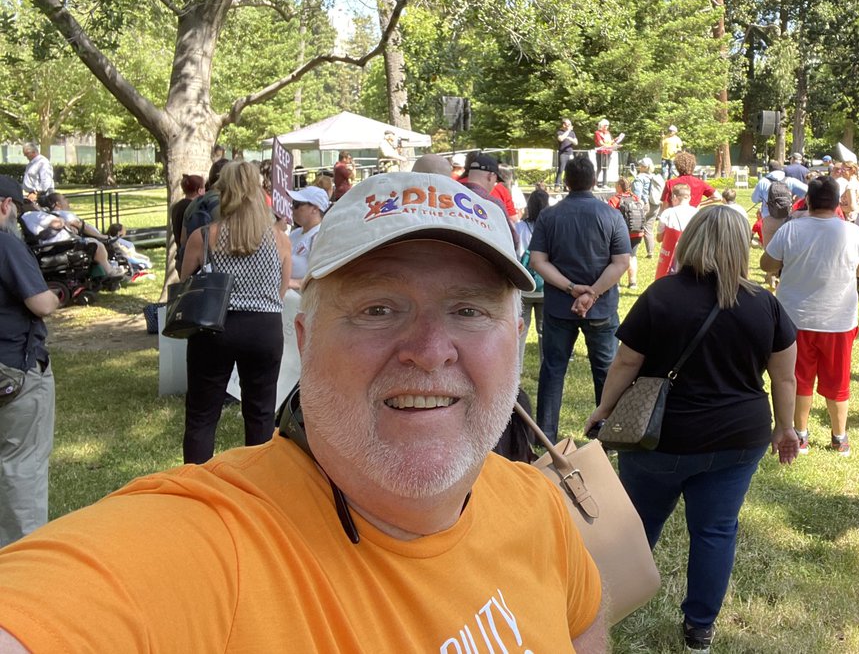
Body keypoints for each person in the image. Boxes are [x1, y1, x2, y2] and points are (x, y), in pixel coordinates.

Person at [0, 171, 605, 651]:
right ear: (307, 339)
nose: (427, 353)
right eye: (378, 309)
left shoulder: (538, 505)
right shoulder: (215, 549)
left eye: (469, 311)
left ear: (518, 333)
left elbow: (581, 627)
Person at [584, 205, 798, 653]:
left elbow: (626, 361)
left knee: (636, 526)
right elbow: (784, 377)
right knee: (716, 530)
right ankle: (699, 628)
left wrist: (603, 409)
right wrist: (786, 428)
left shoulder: (662, 296)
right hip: (741, 437)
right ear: (743, 246)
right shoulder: (765, 304)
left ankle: (602, 608)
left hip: (659, 437)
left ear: (690, 240)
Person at [179, 161, 290, 464]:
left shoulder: (204, 236)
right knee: (261, 413)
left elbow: (184, 280)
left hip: (215, 327)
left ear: (223, 191)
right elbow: (281, 290)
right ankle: (258, 485)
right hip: (264, 328)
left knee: (202, 414)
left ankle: (196, 483)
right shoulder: (279, 238)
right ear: (258, 192)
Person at [761, 175, 859, 456]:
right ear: (838, 203)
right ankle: (840, 437)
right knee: (838, 381)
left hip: (793, 319)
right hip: (839, 320)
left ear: (808, 200)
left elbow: (767, 265)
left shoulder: (791, 230)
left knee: (798, 378)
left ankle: (801, 434)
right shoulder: (853, 233)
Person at [528, 155, 631, 442]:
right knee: (607, 371)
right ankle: (607, 434)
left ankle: (545, 435)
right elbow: (621, 262)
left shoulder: (550, 216)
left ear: (567, 181)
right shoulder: (611, 215)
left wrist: (572, 288)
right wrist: (592, 292)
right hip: (601, 307)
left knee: (553, 369)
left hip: (560, 307)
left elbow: (538, 261)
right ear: (595, 180)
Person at [0, 176, 59, 547]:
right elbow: (40, 303)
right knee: (22, 467)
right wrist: (55, 295)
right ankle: (24, 571)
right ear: (5, 205)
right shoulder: (6, 244)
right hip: (14, 370)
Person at [516, 187, 550, 358]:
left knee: (521, 330)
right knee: (545, 331)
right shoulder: (552, 226)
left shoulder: (519, 227)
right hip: (546, 285)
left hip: (524, 285)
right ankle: (545, 368)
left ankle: (517, 372)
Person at [286, 185, 329, 290]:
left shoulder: (321, 236)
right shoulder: (295, 233)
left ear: (314, 208)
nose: (292, 208)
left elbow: (322, 277)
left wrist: (291, 283)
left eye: (297, 204)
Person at [607, 177, 647, 289]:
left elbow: (610, 217)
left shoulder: (615, 199)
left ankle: (617, 283)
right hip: (637, 232)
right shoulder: (636, 198)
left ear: (619, 186)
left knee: (617, 258)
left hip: (621, 233)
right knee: (633, 257)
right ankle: (633, 283)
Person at [656, 184, 700, 279]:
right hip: (693, 252)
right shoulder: (698, 213)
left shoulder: (668, 213)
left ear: (674, 197)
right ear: (689, 197)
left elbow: (659, 238)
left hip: (673, 255)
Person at [631, 156, 662, 255]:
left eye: (641, 165)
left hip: (644, 204)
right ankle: (650, 252)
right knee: (648, 228)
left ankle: (632, 250)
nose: (639, 167)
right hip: (655, 205)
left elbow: (637, 195)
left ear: (644, 167)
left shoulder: (639, 178)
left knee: (635, 227)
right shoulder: (654, 177)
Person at [170, 174, 205, 253]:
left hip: (180, 252)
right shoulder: (194, 208)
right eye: (204, 188)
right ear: (199, 191)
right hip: (190, 253)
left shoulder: (177, 206)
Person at [593, 119, 617, 188]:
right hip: (601, 152)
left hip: (608, 152)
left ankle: (605, 184)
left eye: (608, 125)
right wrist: (609, 145)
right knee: (599, 168)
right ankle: (594, 184)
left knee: (606, 168)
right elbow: (601, 143)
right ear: (602, 125)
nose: (607, 127)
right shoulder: (597, 132)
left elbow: (610, 142)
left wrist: (615, 141)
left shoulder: (608, 133)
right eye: (606, 125)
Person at [555, 118, 577, 190]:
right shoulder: (560, 132)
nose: (570, 126)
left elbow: (576, 143)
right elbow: (561, 139)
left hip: (570, 153)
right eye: (569, 124)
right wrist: (568, 131)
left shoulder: (572, 133)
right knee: (561, 169)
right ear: (564, 125)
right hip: (563, 153)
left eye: (570, 124)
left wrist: (571, 140)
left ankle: (566, 185)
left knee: (569, 170)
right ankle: (557, 185)